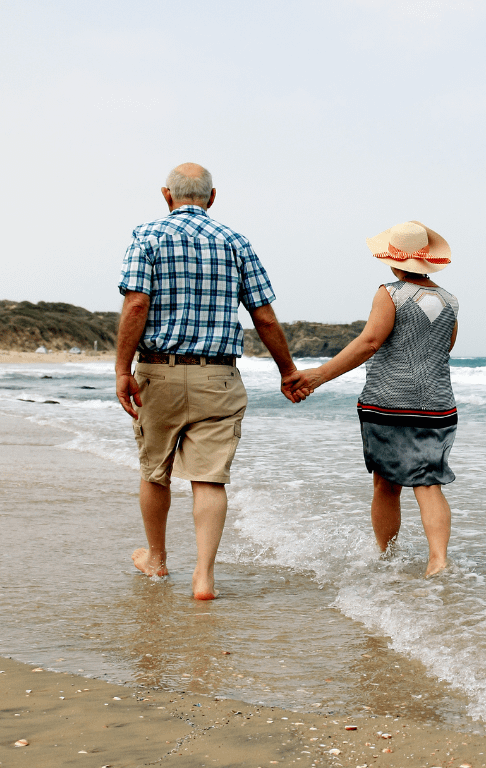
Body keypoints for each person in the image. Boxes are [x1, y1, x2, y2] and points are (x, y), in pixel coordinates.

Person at [115, 162, 302, 600]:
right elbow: (264, 315)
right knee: (209, 478)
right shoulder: (235, 241)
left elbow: (136, 305)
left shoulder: (147, 236)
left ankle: (157, 561)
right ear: (212, 198)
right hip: (217, 375)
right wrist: (287, 371)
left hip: (158, 371)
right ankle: (203, 577)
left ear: (167, 196)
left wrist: (123, 369)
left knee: (154, 471)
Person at [284, 221, 459, 576]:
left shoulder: (390, 293)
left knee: (386, 483)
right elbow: (444, 347)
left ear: (393, 261)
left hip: (390, 403)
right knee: (428, 482)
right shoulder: (450, 300)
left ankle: (387, 555)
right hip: (439, 406)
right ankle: (438, 559)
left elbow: (369, 343)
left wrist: (317, 376)